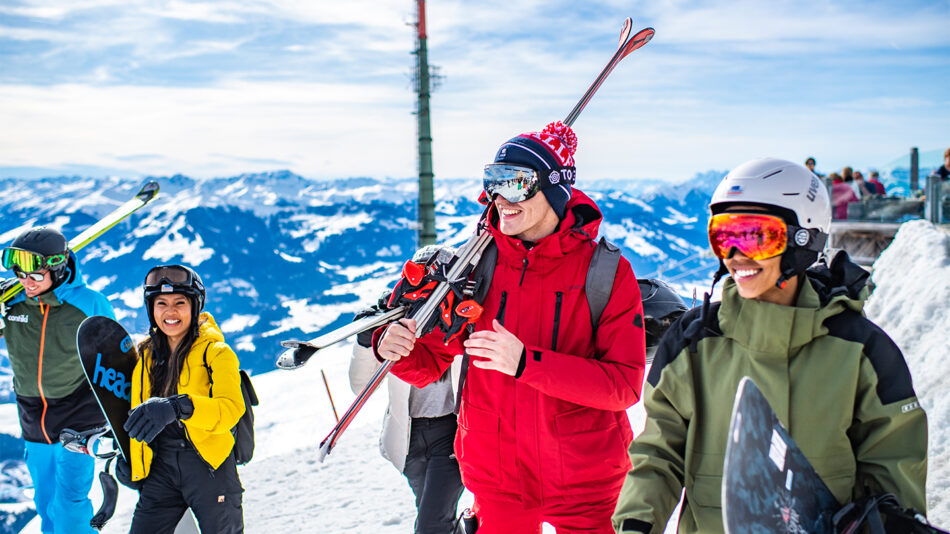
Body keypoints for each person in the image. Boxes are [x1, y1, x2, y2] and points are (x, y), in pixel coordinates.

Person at [612, 158, 928, 534]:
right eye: (724, 236)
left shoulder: (860, 351)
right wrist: (636, 524)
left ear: (803, 240)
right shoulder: (692, 343)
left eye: (757, 237)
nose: (736, 255)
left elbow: (893, 467)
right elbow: (658, 454)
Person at [376, 121, 646, 534]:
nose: (500, 197)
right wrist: (396, 348)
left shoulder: (606, 271)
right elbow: (430, 364)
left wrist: (526, 363)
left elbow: (624, 386)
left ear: (554, 189)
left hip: (586, 480)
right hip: (497, 476)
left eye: (515, 183)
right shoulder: (475, 266)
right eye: (492, 181)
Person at [114, 264, 245, 534]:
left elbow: (230, 409)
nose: (170, 312)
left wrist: (178, 407)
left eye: (180, 303)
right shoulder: (145, 357)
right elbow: (137, 413)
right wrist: (131, 458)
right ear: (151, 309)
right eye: (160, 303)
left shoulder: (217, 353)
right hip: (161, 469)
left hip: (209, 468)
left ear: (195, 306)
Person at [0, 227, 113, 534]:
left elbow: (117, 358)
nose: (26, 282)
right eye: (20, 274)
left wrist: (120, 415)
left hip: (78, 418)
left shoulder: (89, 304)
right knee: (46, 506)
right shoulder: (12, 304)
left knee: (70, 509)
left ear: (58, 267)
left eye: (35, 276)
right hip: (33, 418)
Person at [349, 276, 465, 534]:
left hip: (452, 433)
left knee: (431, 525)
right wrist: (366, 342)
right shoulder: (397, 330)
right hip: (409, 437)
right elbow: (361, 386)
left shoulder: (461, 319)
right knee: (433, 517)